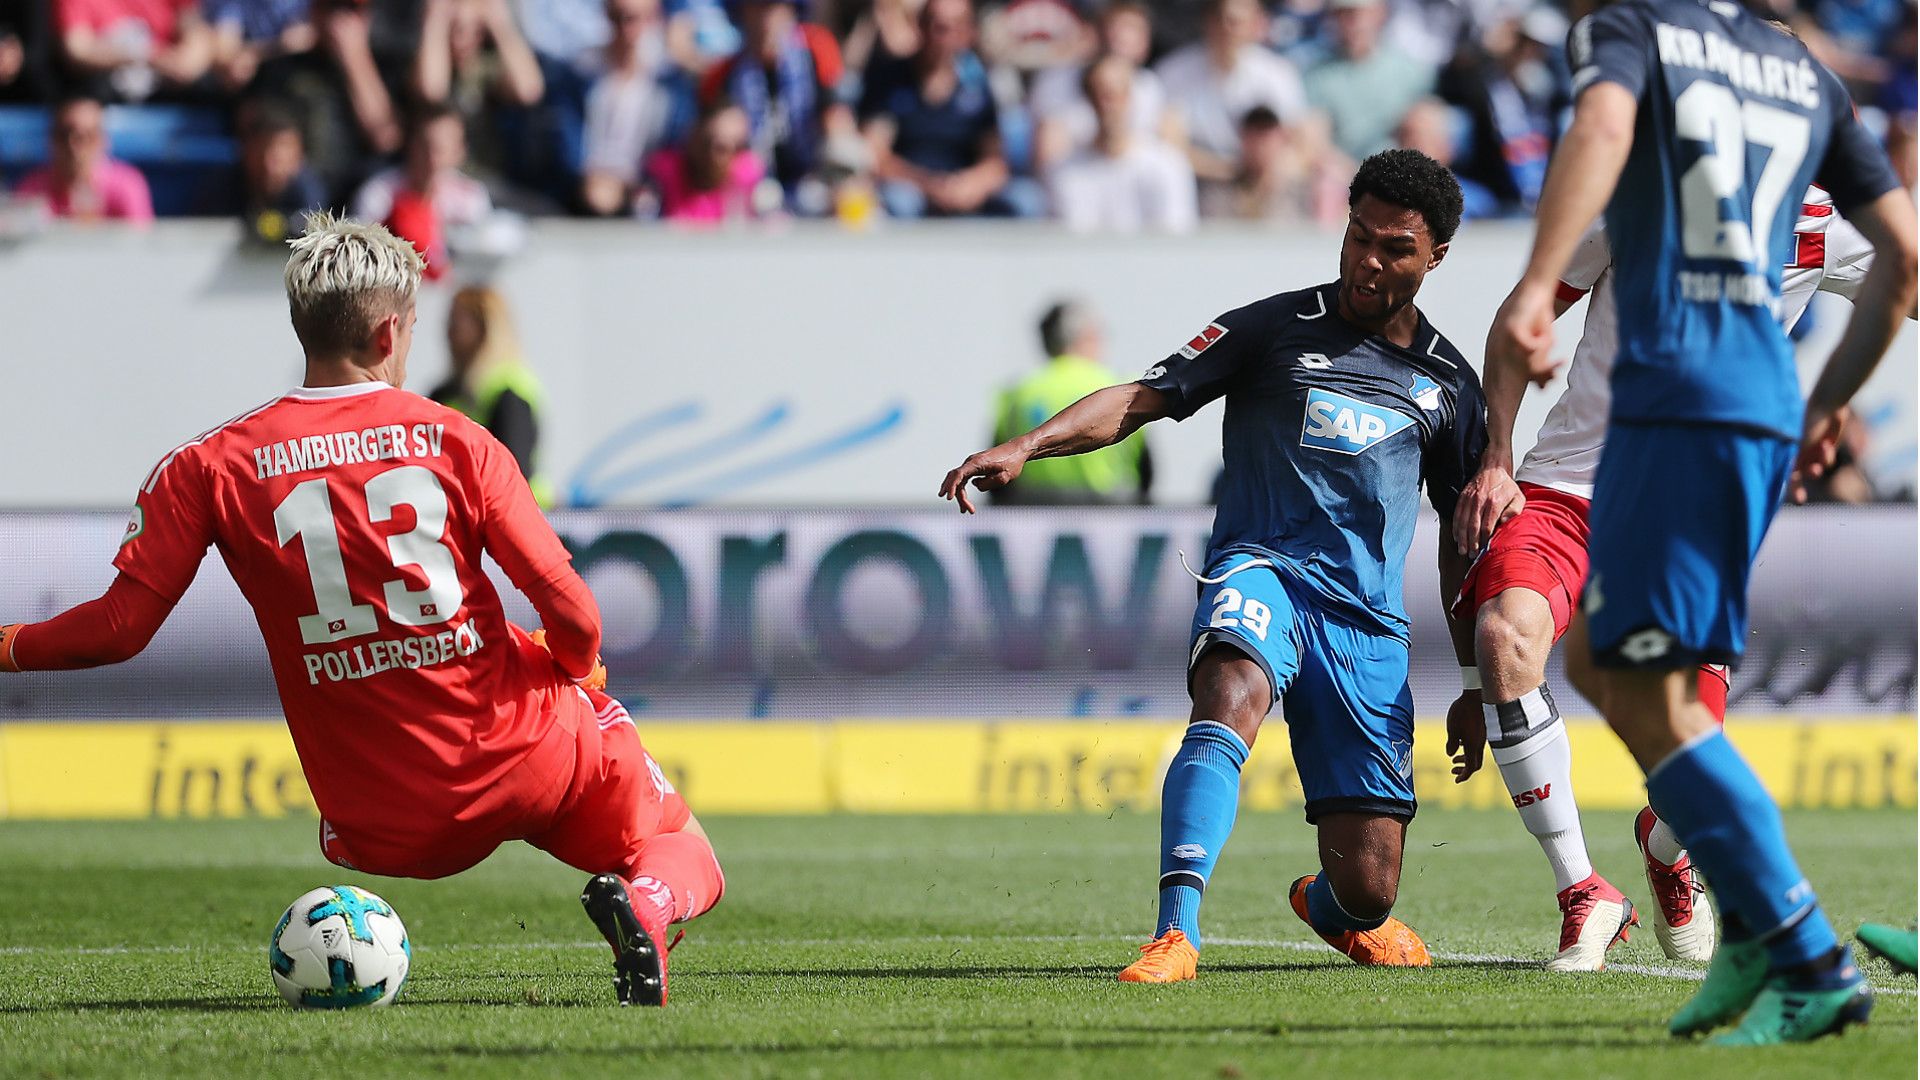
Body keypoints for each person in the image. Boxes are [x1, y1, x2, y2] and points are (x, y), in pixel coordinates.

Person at [0, 214, 724, 1006]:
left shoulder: (209, 465)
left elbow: (117, 629)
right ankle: (647, 910)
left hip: (380, 819)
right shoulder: (459, 440)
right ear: (389, 332)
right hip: (526, 751)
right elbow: (574, 614)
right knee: (674, 842)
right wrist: (578, 672)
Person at [941, 149, 1486, 981]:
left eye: (1396, 248)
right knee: (1229, 687)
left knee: (1370, 888)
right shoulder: (1269, 328)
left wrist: (1479, 681)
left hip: (1365, 626)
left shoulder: (1449, 385)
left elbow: (1461, 541)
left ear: (1436, 255)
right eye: (1358, 237)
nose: (1369, 261)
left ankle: (1330, 907)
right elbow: (1140, 397)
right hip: (1262, 568)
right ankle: (1176, 932)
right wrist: (1030, 444)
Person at [1484, 0, 1916, 1045]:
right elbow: (1904, 259)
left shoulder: (1641, 38)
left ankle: (1792, 949)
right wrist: (1826, 403)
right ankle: (1751, 933)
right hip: (1745, 413)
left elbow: (1596, 132)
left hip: (1684, 402)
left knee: (1652, 697)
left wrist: (1539, 281)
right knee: (1604, 669)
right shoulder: (1808, 84)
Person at [857, 0, 1034, 218]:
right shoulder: (890, 81)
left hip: (963, 187)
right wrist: (929, 185)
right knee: (899, 202)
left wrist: (970, 185)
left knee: (1026, 200)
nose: (942, 36)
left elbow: (995, 161)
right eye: (937, 25)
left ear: (969, 32)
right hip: (910, 187)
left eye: (954, 27)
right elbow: (876, 156)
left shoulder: (978, 84)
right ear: (920, 26)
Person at [988, 298, 1152, 506]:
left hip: (1036, 518)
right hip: (1111, 515)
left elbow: (996, 468)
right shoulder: (1121, 388)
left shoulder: (1018, 392)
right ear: (1087, 337)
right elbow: (1147, 470)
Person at [698, 0, 850, 203]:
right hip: (750, 188)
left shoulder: (815, 50)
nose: (766, 18)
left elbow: (838, 117)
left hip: (812, 178)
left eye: (775, 6)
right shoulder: (725, 73)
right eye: (758, 7)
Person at [1154, 0, 1309, 193]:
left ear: (1255, 24)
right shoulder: (1173, 73)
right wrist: (1228, 171)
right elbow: (1169, 146)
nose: (1227, 29)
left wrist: (1266, 170)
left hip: (1266, 187)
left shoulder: (1278, 74)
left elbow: (1302, 146)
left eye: (1236, 22)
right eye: (1221, 19)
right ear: (1208, 22)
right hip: (1197, 186)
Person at [1046, 55, 1197, 233]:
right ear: (1088, 99)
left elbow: (1175, 239)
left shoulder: (1168, 166)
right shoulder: (1064, 171)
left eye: (1117, 94)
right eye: (1099, 95)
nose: (1108, 106)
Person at [430, 284, 547, 498]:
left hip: (514, 514)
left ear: (484, 328)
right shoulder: (445, 392)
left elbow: (515, 469)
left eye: (457, 322)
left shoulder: (508, 391)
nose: (448, 331)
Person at [1028, 0, 1173, 168]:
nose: (1121, 37)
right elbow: (1048, 160)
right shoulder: (1057, 82)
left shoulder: (1151, 87)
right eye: (1115, 27)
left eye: (1132, 28)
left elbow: (1166, 155)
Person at [1300, 0, 1436, 162]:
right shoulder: (1318, 75)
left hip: (1400, 169)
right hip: (1342, 173)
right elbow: (1316, 140)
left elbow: (1426, 132)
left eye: (1357, 14)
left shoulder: (1408, 70)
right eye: (1342, 15)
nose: (1351, 23)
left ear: (1379, 14)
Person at [14, 96, 153, 223]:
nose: (74, 147)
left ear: (103, 140)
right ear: (51, 139)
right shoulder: (32, 190)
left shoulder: (128, 186)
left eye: (86, 136)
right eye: (64, 135)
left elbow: (140, 242)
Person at [54, 0, 213, 101]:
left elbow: (194, 32)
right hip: (105, 90)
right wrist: (144, 56)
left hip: (165, 85)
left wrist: (186, 64)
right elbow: (77, 50)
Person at [643, 98, 769, 221]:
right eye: (714, 144)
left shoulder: (748, 180)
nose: (718, 156)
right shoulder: (665, 172)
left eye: (737, 146)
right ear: (696, 136)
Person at [234, 100, 328, 244]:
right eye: (262, 154)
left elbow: (311, 228)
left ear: (299, 155)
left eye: (278, 159)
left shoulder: (308, 191)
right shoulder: (229, 185)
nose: (269, 166)